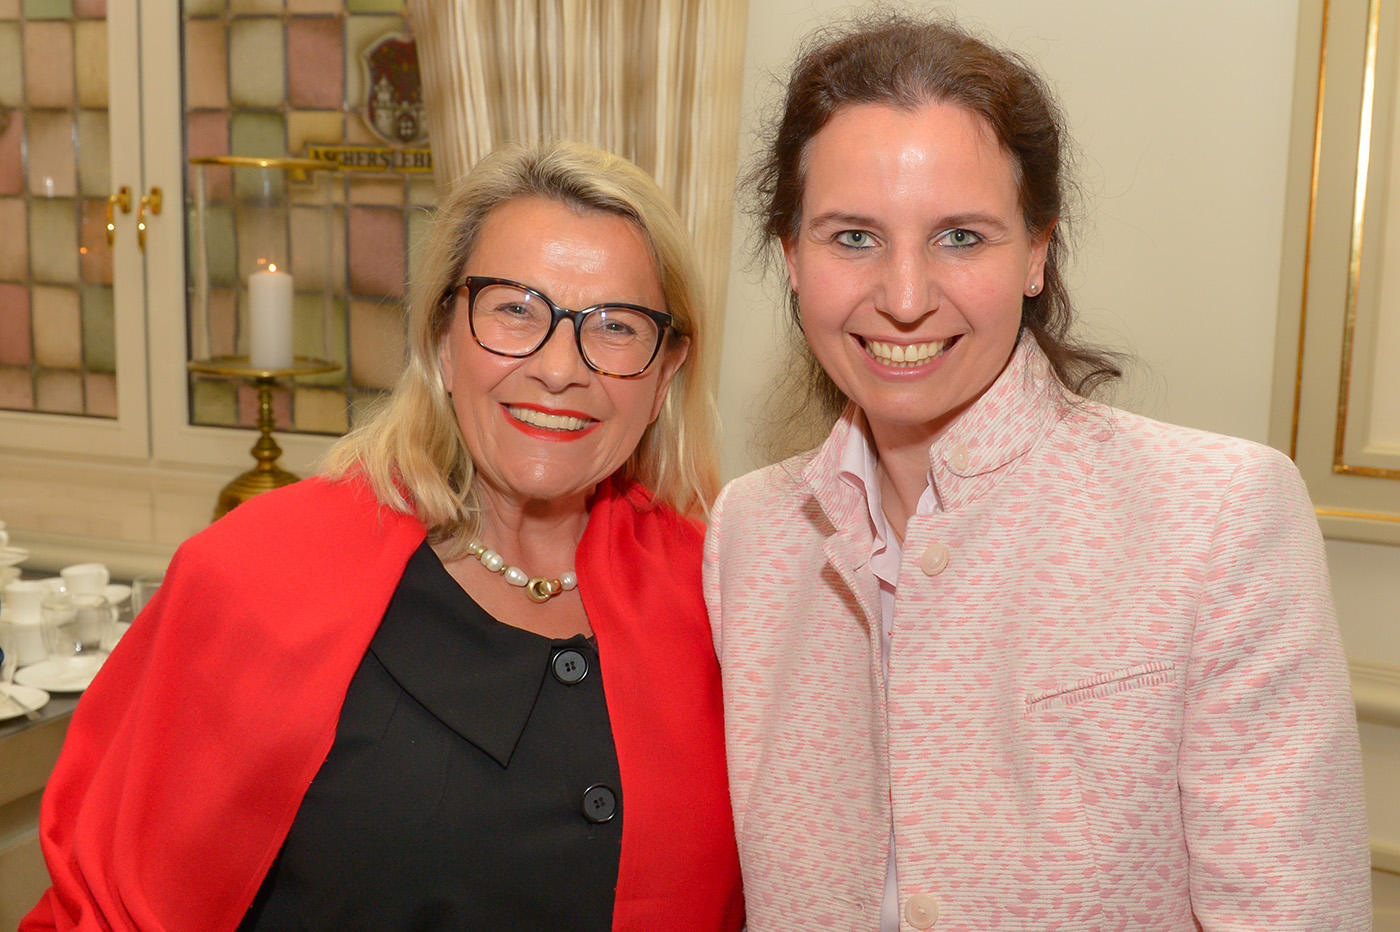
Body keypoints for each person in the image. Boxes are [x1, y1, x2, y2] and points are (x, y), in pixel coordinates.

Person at [704, 14, 1369, 932]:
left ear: (1036, 253)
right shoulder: (750, 530)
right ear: (789, 256)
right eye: (853, 237)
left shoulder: (1216, 513)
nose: (904, 297)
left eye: (961, 237)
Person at [24, 140, 744, 932]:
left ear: (665, 371)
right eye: (514, 309)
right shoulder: (254, 576)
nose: (560, 367)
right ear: (441, 337)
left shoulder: (722, 599)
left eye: (616, 326)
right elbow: (104, 907)